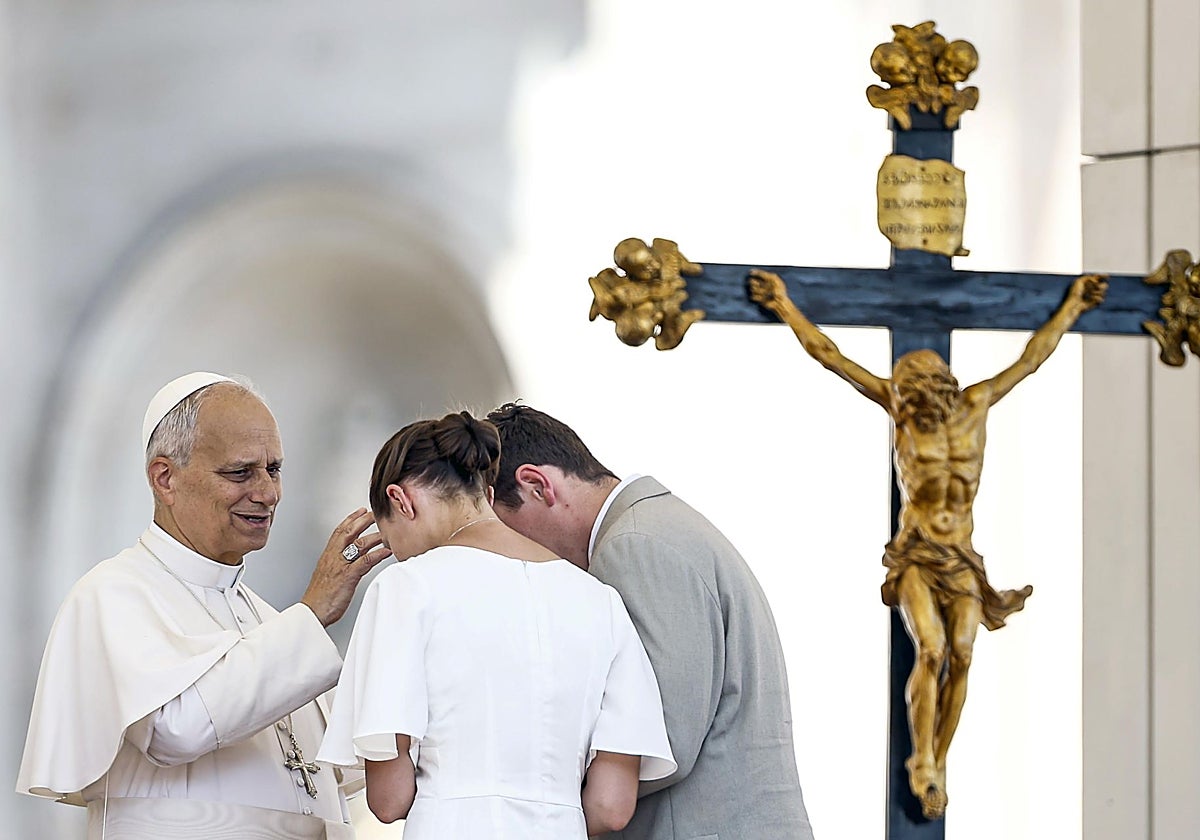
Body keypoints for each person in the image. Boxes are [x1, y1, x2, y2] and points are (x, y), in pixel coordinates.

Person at [747, 268, 1108, 818]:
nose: (910, 396)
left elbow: (1033, 356)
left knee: (963, 653)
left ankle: (940, 756)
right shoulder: (901, 412)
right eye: (905, 389)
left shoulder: (978, 404)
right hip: (917, 554)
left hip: (961, 557)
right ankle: (922, 760)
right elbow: (831, 355)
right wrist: (784, 305)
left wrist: (1074, 308)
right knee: (933, 648)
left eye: (917, 386)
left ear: (939, 383)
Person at [17, 372, 390, 839]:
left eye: (273, 470)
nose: (267, 493)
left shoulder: (269, 621)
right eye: (240, 472)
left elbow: (340, 783)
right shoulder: (112, 595)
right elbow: (176, 730)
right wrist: (313, 613)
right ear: (165, 477)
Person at [317, 410, 675, 838]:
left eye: (393, 542)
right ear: (485, 491)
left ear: (400, 500)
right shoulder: (601, 602)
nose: (401, 557)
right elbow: (611, 807)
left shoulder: (405, 588)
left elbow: (389, 800)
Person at [485, 403, 815, 840]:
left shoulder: (634, 546)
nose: (510, 553)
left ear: (535, 485)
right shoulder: (654, 528)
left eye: (505, 529)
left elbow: (658, 736)